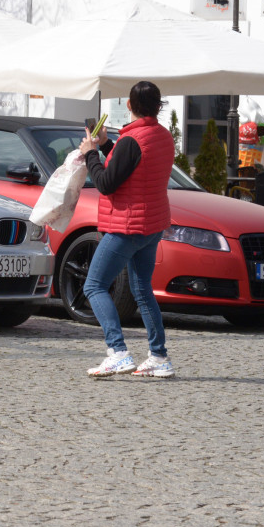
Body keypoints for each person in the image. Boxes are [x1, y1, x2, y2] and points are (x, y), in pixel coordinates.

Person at [78, 81, 176, 378]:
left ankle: (117, 352)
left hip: (127, 225)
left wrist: (90, 153)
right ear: (158, 107)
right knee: (142, 289)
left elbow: (107, 182)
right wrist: (108, 145)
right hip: (152, 224)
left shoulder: (132, 140)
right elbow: (133, 167)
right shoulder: (162, 136)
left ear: (129, 105)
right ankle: (159, 357)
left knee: (94, 286)